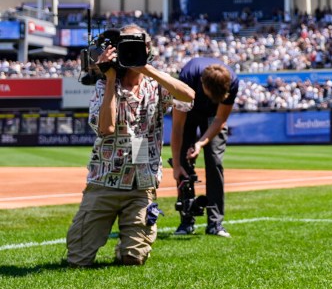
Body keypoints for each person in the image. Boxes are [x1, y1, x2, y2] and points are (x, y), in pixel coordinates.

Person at [65, 24, 195, 267]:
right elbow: (107, 128)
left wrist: (146, 67)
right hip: (105, 180)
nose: (131, 50)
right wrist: (112, 77)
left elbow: (188, 96)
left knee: (134, 259)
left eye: (138, 45)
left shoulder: (156, 85)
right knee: (77, 260)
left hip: (141, 183)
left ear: (149, 49)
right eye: (126, 45)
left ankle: (127, 247)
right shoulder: (104, 85)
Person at [170, 57, 239, 237]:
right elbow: (177, 127)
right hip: (189, 112)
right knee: (184, 163)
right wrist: (176, 165)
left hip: (213, 118)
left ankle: (215, 224)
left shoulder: (231, 82)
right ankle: (186, 221)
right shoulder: (187, 79)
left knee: (214, 161)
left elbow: (220, 119)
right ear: (202, 85)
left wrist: (201, 143)